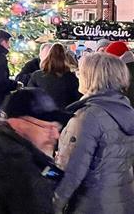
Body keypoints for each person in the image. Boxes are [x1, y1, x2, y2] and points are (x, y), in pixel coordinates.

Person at [0, 88, 69, 214]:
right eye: (48, 127)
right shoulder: (20, 169)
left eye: (57, 127)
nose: (55, 135)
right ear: (17, 123)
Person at [54, 52, 134, 213]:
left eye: (80, 72)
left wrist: (52, 205)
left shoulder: (87, 117)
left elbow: (71, 172)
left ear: (92, 77)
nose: (77, 76)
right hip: (123, 200)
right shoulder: (126, 110)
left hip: (90, 205)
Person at [26, 43, 81, 109]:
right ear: (65, 59)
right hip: (64, 116)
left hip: (41, 116)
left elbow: (28, 97)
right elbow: (77, 100)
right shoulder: (71, 78)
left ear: (48, 58)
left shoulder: (37, 76)